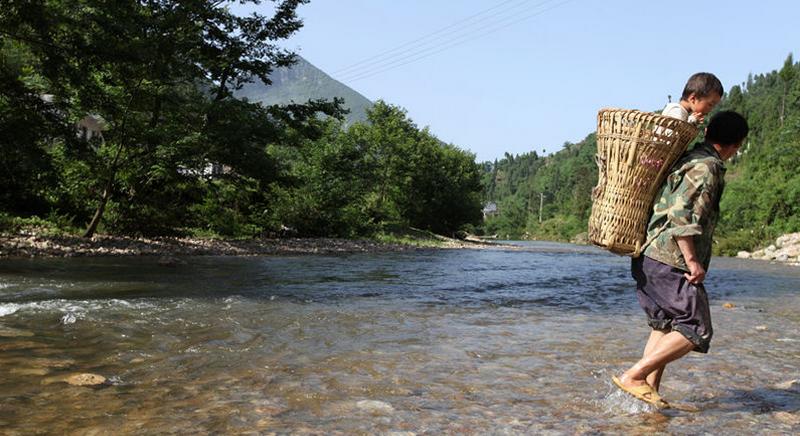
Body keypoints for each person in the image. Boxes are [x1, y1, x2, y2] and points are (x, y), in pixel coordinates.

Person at [612, 110, 750, 408]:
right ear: (735, 145)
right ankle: (633, 376)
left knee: (663, 328)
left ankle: (649, 403)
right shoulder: (707, 166)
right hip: (670, 259)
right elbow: (681, 216)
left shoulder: (689, 157)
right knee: (696, 328)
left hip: (649, 256)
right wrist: (693, 262)